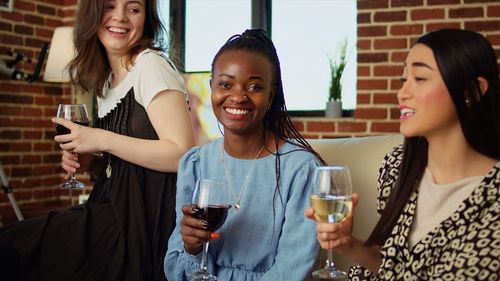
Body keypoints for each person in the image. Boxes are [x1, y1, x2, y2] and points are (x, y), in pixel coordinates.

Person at [0, 0, 194, 280]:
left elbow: (182, 154)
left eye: (133, 9)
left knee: (16, 245)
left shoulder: (151, 66)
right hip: (111, 208)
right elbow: (122, 167)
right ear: (92, 14)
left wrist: (100, 138)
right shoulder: (107, 81)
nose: (120, 17)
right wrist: (91, 162)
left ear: (146, 19)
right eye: (109, 6)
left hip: (143, 223)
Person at [305, 28, 500, 280]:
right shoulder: (398, 167)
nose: (402, 93)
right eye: (403, 80)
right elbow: (394, 269)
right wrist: (348, 244)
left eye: (419, 78)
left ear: (470, 92)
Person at [164, 29, 325, 281]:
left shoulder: (301, 170)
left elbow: (292, 270)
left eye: (254, 86)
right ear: (212, 88)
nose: (238, 96)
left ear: (270, 95)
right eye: (225, 84)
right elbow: (176, 269)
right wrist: (191, 247)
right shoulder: (195, 163)